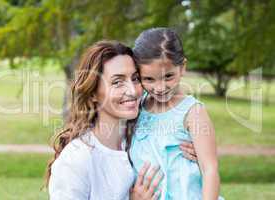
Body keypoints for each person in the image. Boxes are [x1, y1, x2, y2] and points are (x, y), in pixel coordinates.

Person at [45, 40, 197, 200]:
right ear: (93, 94)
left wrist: (194, 154)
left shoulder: (143, 139)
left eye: (135, 78)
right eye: (117, 82)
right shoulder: (77, 159)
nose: (132, 91)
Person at [130, 27, 224, 200]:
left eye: (168, 77)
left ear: (182, 68)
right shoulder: (138, 106)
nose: (159, 88)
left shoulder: (192, 112)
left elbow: (209, 169)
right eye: (149, 79)